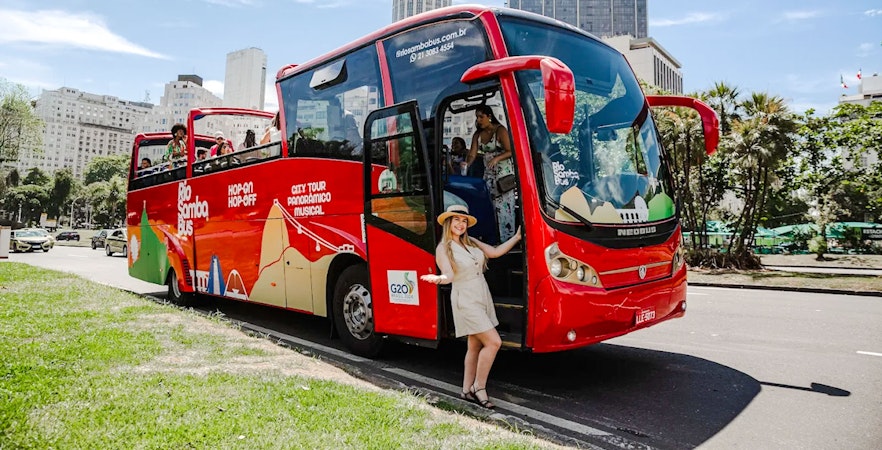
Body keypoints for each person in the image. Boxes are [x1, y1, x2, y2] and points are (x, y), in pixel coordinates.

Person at [420, 204, 522, 410]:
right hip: (465, 299)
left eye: (464, 220)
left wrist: (517, 237)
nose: (461, 224)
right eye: (456, 220)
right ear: (449, 222)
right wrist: (437, 278)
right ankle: (479, 387)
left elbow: (494, 253)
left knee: (475, 345)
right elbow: (448, 275)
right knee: (493, 342)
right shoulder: (444, 247)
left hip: (481, 296)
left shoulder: (471, 242)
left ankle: (466, 389)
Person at [463, 105, 516, 241]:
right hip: (489, 174)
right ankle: (492, 237)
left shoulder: (500, 130)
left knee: (505, 208)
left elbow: (511, 151)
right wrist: (467, 163)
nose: (479, 120)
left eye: (481, 116)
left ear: (489, 116)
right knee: (489, 206)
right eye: (477, 117)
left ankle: (507, 239)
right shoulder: (477, 135)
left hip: (503, 175)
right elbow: (472, 154)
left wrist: (497, 158)